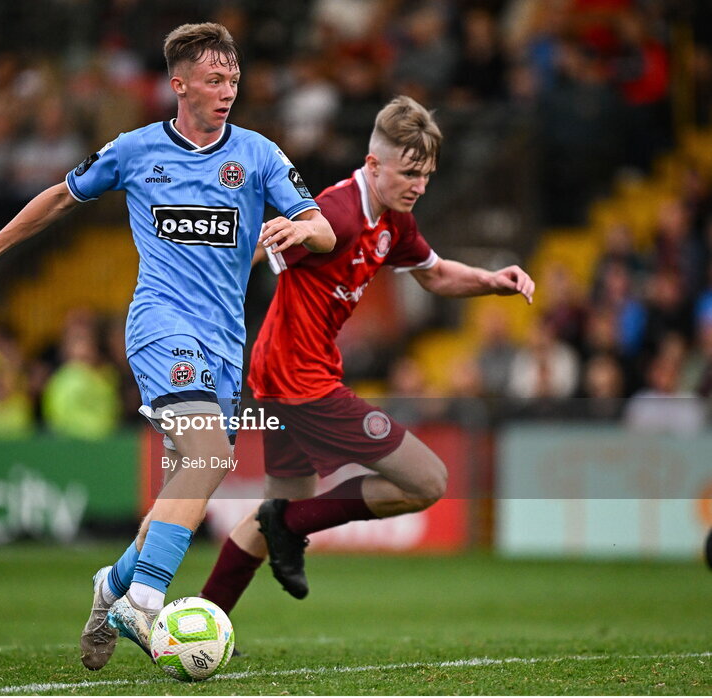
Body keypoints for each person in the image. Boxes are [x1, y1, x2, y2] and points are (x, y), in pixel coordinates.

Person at [0, 23, 334, 670]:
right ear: (178, 85)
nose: (226, 90)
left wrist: (298, 228)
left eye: (232, 79)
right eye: (213, 80)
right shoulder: (135, 149)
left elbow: (321, 228)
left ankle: (112, 585)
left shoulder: (258, 155)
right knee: (207, 454)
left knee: (189, 479)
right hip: (160, 324)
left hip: (226, 341)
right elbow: (59, 200)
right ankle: (145, 599)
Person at [198, 96, 535, 615]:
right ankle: (287, 524)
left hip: (282, 373)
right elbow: (277, 241)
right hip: (299, 380)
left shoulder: (395, 221)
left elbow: (435, 273)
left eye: (426, 175)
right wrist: (269, 238)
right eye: (409, 174)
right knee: (427, 482)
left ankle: (201, 620)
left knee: (279, 504)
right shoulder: (336, 211)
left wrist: (493, 281)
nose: (419, 186)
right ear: (374, 165)